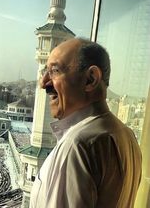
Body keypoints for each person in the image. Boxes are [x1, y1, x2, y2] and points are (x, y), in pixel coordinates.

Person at [29, 38, 142, 208]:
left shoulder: (78, 145)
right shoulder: (127, 136)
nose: (43, 82)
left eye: (55, 71)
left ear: (90, 79)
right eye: (45, 71)